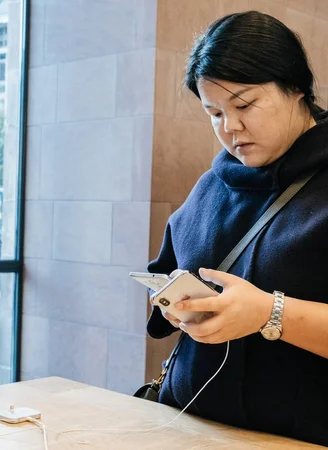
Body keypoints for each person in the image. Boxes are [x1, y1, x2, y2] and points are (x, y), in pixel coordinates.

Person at [146, 11, 328, 446]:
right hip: (191, 429)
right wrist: (175, 301)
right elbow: (169, 281)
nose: (231, 128)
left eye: (244, 105)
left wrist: (270, 313)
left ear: (296, 87)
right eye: (214, 112)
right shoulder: (212, 185)